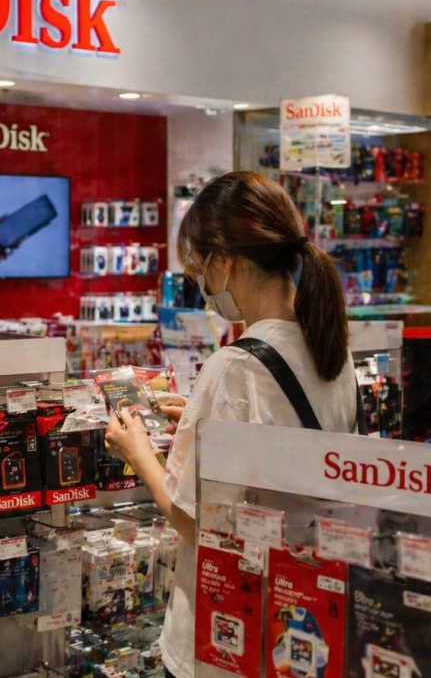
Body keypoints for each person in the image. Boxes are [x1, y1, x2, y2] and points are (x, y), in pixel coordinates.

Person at [102, 171, 358, 678]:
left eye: (199, 268)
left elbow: (197, 523)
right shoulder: (333, 350)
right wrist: (201, 420)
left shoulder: (235, 366)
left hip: (226, 633)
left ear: (225, 261)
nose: (202, 286)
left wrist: (139, 452)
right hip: (301, 613)